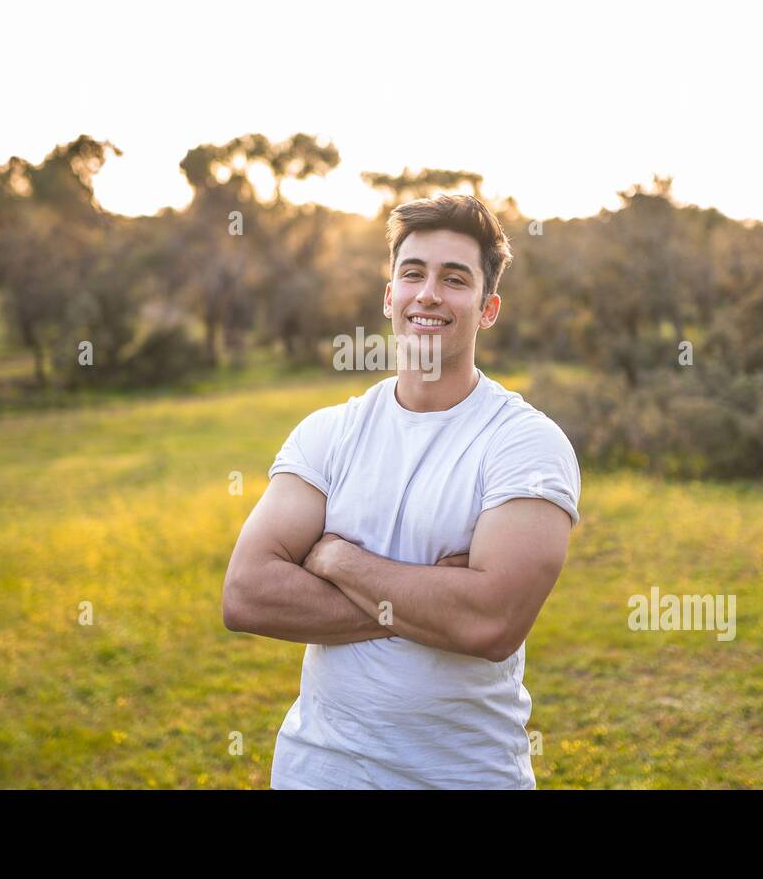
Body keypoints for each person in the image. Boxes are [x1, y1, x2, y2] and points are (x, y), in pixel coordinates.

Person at [222, 193, 582, 788]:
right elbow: (246, 595)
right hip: (317, 770)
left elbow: (491, 624)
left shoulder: (525, 444)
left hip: (463, 776)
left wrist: (336, 560)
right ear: (390, 295)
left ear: (488, 308)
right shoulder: (328, 434)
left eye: (455, 279)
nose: (429, 294)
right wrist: (437, 600)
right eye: (412, 273)